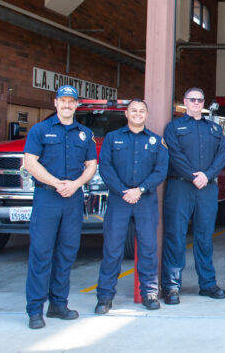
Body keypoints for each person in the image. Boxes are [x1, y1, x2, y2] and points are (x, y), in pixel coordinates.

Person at [23, 85, 97, 329]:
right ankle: (35, 310)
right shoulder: (40, 130)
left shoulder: (85, 133)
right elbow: (30, 163)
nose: (67, 105)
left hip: (73, 199)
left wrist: (75, 184)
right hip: (47, 198)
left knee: (67, 253)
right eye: (63, 100)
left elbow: (91, 165)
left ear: (77, 105)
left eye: (71, 101)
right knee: (41, 253)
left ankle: (58, 305)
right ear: (56, 103)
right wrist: (56, 183)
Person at [95, 99, 169, 313]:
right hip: (119, 200)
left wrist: (140, 190)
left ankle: (149, 293)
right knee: (112, 249)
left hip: (145, 201)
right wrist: (123, 191)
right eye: (133, 111)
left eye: (142, 111)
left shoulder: (157, 141)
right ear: (126, 114)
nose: (138, 114)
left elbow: (160, 171)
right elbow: (106, 168)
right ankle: (105, 297)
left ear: (147, 114)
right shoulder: (112, 138)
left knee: (148, 248)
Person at [162, 87, 225, 303]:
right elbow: (174, 155)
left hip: (207, 188)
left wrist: (207, 175)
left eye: (200, 100)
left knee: (204, 237)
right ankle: (172, 286)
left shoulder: (214, 129)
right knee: (176, 235)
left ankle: (207, 284)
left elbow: (222, 155)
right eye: (192, 99)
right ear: (185, 102)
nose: (197, 103)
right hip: (180, 186)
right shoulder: (174, 127)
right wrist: (193, 176)